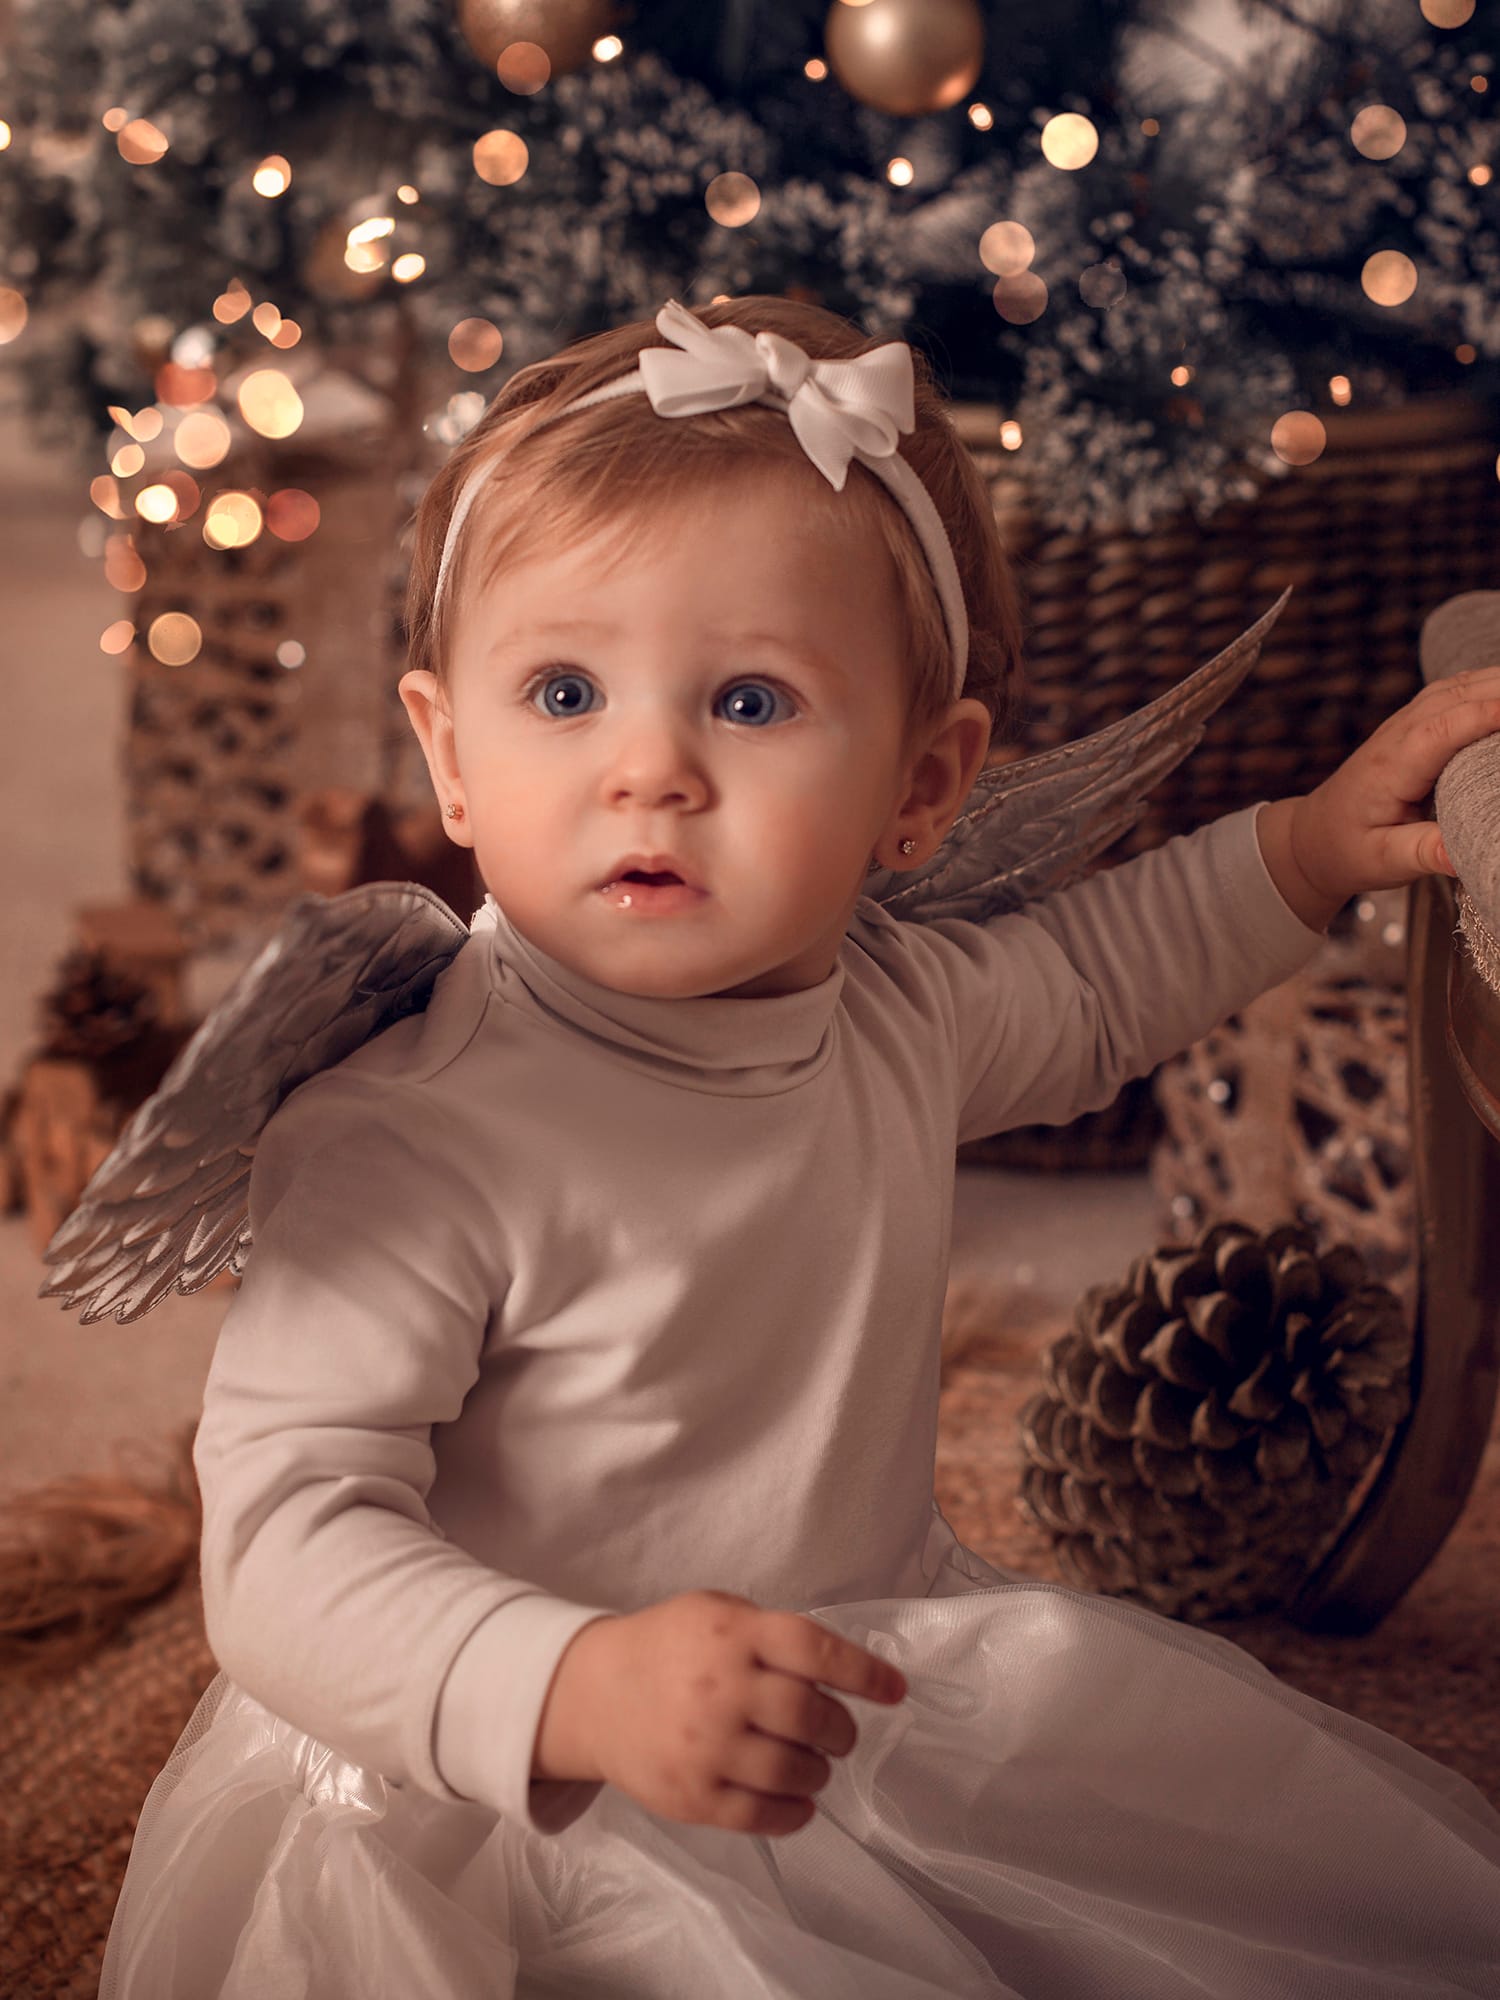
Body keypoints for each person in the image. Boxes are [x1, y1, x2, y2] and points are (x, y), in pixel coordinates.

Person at [98, 295, 1500, 1998]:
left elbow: (1096, 974)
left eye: (750, 702)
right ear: (449, 756)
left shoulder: (897, 1008)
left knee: (1263, 1906)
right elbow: (282, 1541)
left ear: (923, 785)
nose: (649, 771)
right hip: (494, 1765)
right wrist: (567, 1683)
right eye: (562, 690)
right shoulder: (410, 1134)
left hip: (847, 1672)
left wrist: (1302, 849)